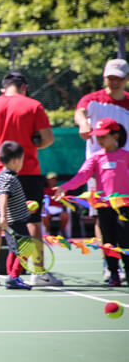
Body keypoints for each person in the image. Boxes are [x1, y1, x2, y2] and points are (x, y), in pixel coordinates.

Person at [0, 72, 62, 287]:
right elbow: (48, 138)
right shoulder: (33, 106)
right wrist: (32, 147)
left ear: (4, 88)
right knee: (32, 220)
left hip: (0, 171)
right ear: (24, 87)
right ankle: (38, 272)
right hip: (29, 171)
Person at [53, 118, 129, 286]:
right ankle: (113, 273)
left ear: (115, 135)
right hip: (104, 207)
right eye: (98, 137)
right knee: (108, 241)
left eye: (104, 136)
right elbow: (82, 176)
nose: (100, 140)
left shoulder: (126, 156)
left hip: (124, 207)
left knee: (126, 240)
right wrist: (64, 187)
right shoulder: (96, 158)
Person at [73, 58, 129, 270]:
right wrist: (83, 123)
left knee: (125, 221)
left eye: (118, 79)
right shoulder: (92, 99)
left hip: (126, 169)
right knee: (102, 217)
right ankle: (109, 263)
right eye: (110, 78)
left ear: (126, 79)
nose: (114, 82)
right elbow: (80, 112)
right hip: (99, 172)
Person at [0, 141, 33, 290]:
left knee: (14, 250)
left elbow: (8, 198)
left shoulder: (2, 178)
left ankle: (12, 276)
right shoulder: (9, 179)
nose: (22, 164)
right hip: (15, 222)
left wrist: (24, 205)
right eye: (22, 160)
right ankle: (14, 277)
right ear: (16, 161)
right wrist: (3, 216)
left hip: (12, 221)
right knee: (27, 248)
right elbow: (4, 196)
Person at [42, 172, 69, 238]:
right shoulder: (44, 190)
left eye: (53, 179)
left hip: (59, 209)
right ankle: (48, 232)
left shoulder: (60, 190)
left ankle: (60, 232)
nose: (52, 181)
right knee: (44, 215)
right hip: (47, 209)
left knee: (65, 216)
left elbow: (64, 201)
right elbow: (42, 201)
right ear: (47, 180)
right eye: (50, 179)